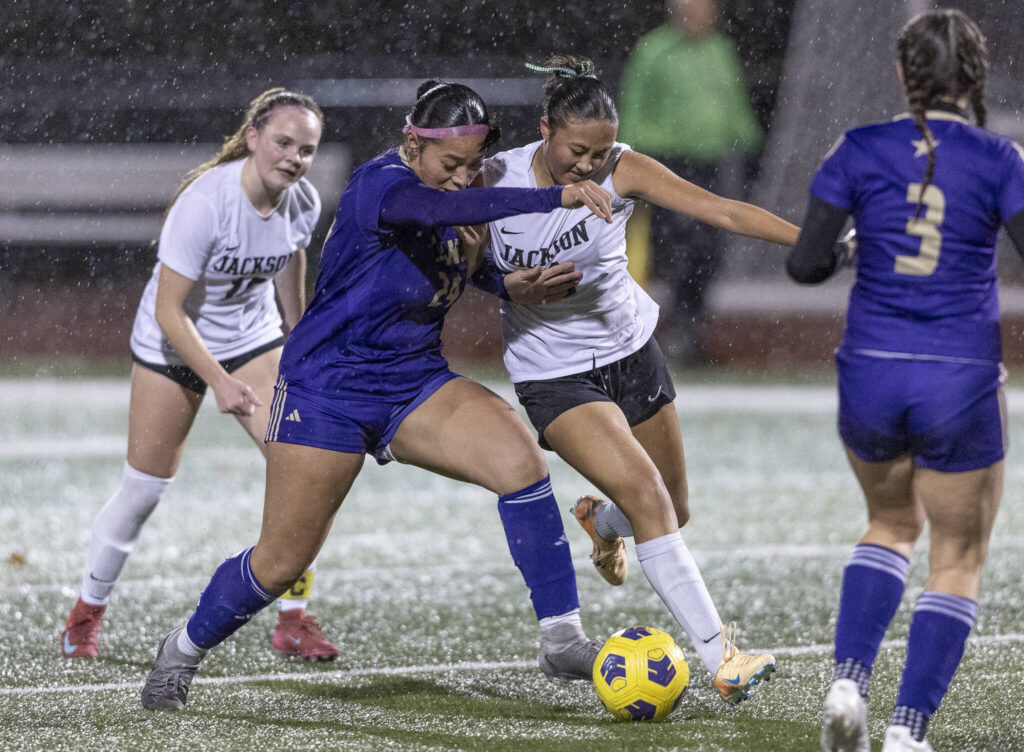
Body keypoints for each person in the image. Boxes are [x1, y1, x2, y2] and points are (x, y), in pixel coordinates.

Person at [139, 80, 617, 711]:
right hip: (327, 388)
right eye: (451, 165)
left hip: (411, 381)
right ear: (412, 143)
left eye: (474, 166)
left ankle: (560, 637)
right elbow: (433, 214)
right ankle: (183, 649)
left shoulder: (453, 192)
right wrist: (555, 195)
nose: (463, 179)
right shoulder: (379, 184)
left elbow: (453, 262)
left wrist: (508, 286)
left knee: (520, 462)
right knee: (281, 563)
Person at [475, 54, 807, 705]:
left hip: (633, 355)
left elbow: (726, 211)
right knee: (654, 498)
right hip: (555, 375)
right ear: (545, 128)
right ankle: (723, 659)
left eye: (600, 153)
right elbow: (448, 262)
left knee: (671, 509)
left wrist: (819, 244)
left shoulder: (623, 165)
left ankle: (603, 525)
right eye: (576, 151)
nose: (589, 166)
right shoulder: (495, 179)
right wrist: (507, 287)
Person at [786, 10, 1024, 752]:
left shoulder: (858, 148)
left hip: (871, 373)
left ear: (902, 73)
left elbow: (804, 265)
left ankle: (847, 684)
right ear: (976, 79)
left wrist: (861, 247)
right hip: (957, 376)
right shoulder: (998, 157)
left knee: (890, 524)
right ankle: (906, 734)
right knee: (958, 557)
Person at [58, 88, 341, 663]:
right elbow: (169, 311)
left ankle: (292, 620)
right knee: (143, 489)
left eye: (306, 149)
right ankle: (84, 618)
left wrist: (299, 335)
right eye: (284, 142)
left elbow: (291, 257)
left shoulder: (301, 200)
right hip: (170, 345)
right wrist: (217, 380)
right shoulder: (207, 203)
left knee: (306, 468)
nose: (294, 157)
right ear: (255, 137)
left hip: (252, 341)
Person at [618, 0, 763, 366]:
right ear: (676, 12)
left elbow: (733, 103)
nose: (705, 16)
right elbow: (633, 107)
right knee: (675, 248)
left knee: (707, 249)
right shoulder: (653, 50)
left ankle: (690, 326)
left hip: (710, 164)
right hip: (666, 164)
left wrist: (748, 143)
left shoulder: (720, 50)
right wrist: (629, 164)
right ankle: (672, 329)